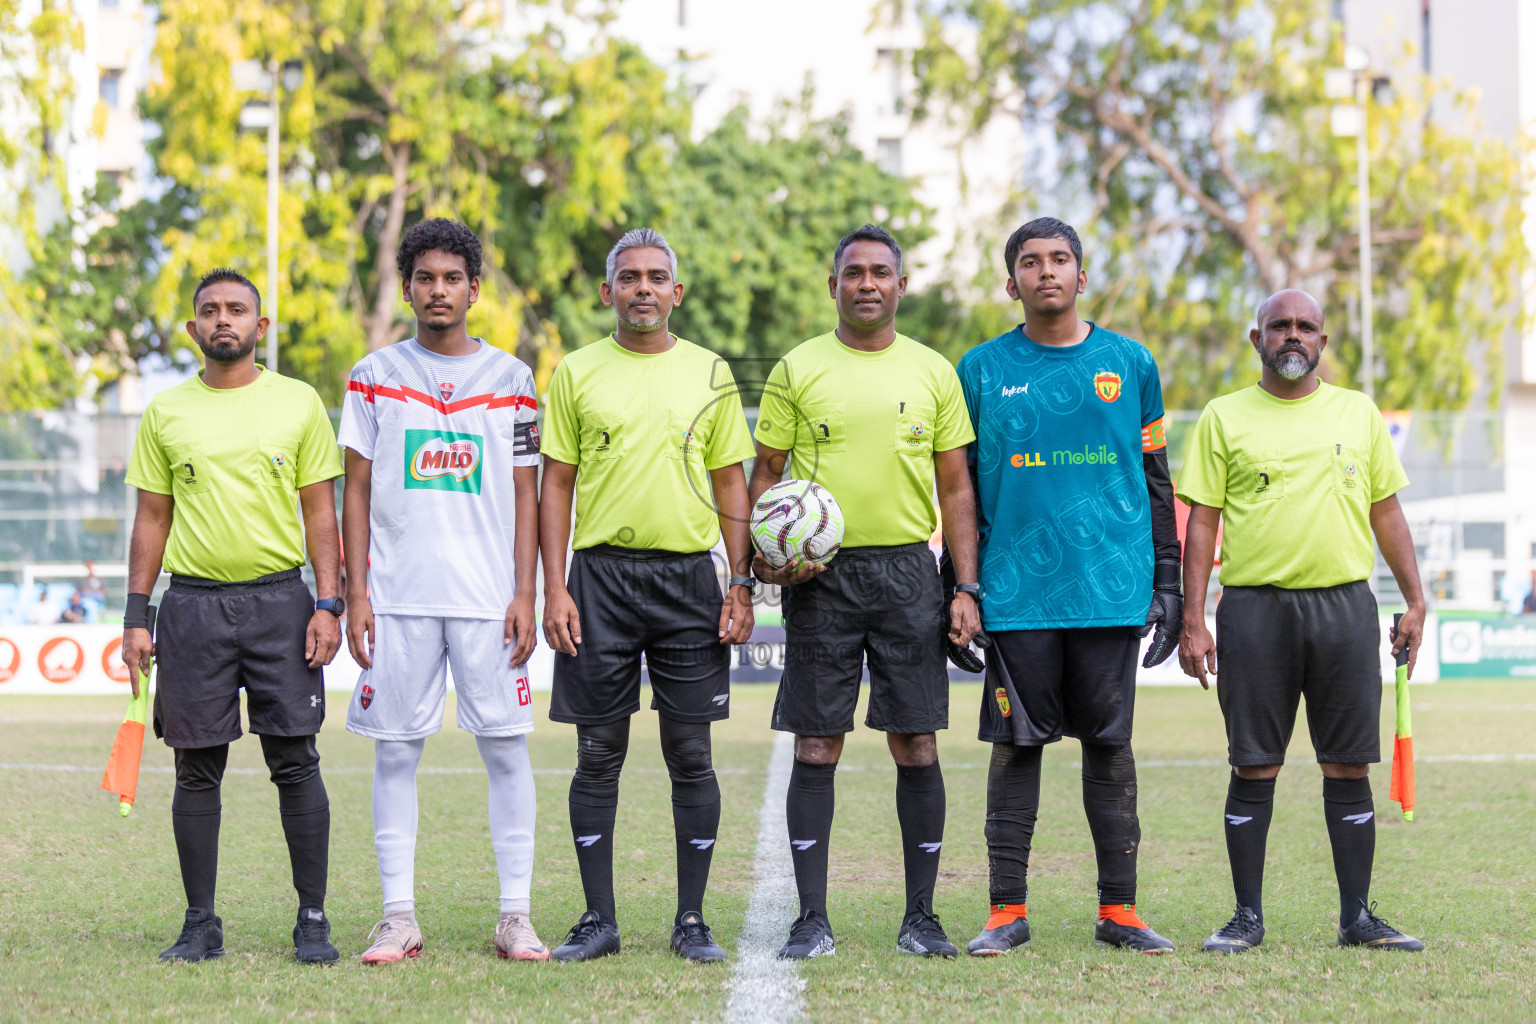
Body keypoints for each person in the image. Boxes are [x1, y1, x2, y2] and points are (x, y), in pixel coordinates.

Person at [749, 224, 980, 960]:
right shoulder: (797, 368)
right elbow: (765, 475)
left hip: (911, 574)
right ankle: (811, 918)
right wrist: (766, 556)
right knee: (818, 742)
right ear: (834, 285)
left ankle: (922, 917)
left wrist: (964, 586)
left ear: (902, 286)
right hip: (823, 579)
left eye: (882, 272)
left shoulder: (933, 372)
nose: (868, 284)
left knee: (915, 739)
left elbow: (955, 487)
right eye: (854, 272)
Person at [955, 218, 1180, 956]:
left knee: (1109, 748)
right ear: (1010, 281)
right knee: (1017, 748)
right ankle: (1004, 913)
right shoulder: (980, 369)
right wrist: (956, 586)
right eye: (1030, 262)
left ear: (1083, 276)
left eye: (1059, 260)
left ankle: (1120, 911)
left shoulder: (1131, 362)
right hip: (1017, 593)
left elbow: (1155, 479)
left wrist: (1169, 581)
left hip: (1110, 589)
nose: (1046, 271)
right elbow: (954, 488)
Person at [1179, 289, 1427, 953]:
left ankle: (1358, 918)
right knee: (1254, 764)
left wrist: (1416, 597)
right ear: (1254, 337)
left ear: (1323, 340)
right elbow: (1202, 521)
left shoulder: (1358, 413)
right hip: (1255, 609)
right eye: (1280, 325)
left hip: (1344, 607)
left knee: (1349, 764)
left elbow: (1387, 513)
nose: (1293, 336)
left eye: (1306, 327)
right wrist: (1195, 618)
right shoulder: (1223, 417)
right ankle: (1246, 918)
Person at [540, 227, 756, 964]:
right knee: (598, 753)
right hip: (598, 580)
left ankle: (691, 920)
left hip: (688, 581)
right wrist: (553, 588)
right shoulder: (575, 372)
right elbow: (556, 485)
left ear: (676, 292)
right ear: (607, 292)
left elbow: (732, 481)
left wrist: (743, 580)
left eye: (655, 277)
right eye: (627, 277)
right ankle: (598, 920)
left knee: (689, 752)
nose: (642, 289)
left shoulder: (711, 372)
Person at [340, 219, 547, 964]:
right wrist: (357, 592)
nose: (437, 290)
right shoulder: (372, 374)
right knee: (395, 754)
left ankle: (514, 915)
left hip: (489, 599)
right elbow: (354, 491)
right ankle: (398, 916)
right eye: (424, 278)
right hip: (397, 598)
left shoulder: (513, 381)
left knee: (505, 752)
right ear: (407, 288)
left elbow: (528, 496)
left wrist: (524, 592)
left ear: (474, 289)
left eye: (451, 278)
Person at [122, 267, 344, 963]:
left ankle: (312, 919)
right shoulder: (166, 412)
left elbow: (320, 514)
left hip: (282, 602)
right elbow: (151, 519)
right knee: (196, 769)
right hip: (192, 607)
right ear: (193, 330)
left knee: (296, 762)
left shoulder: (299, 403)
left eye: (238, 309)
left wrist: (329, 603)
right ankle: (200, 924)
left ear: (261, 327)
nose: (225, 319)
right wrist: (137, 615)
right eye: (211, 311)